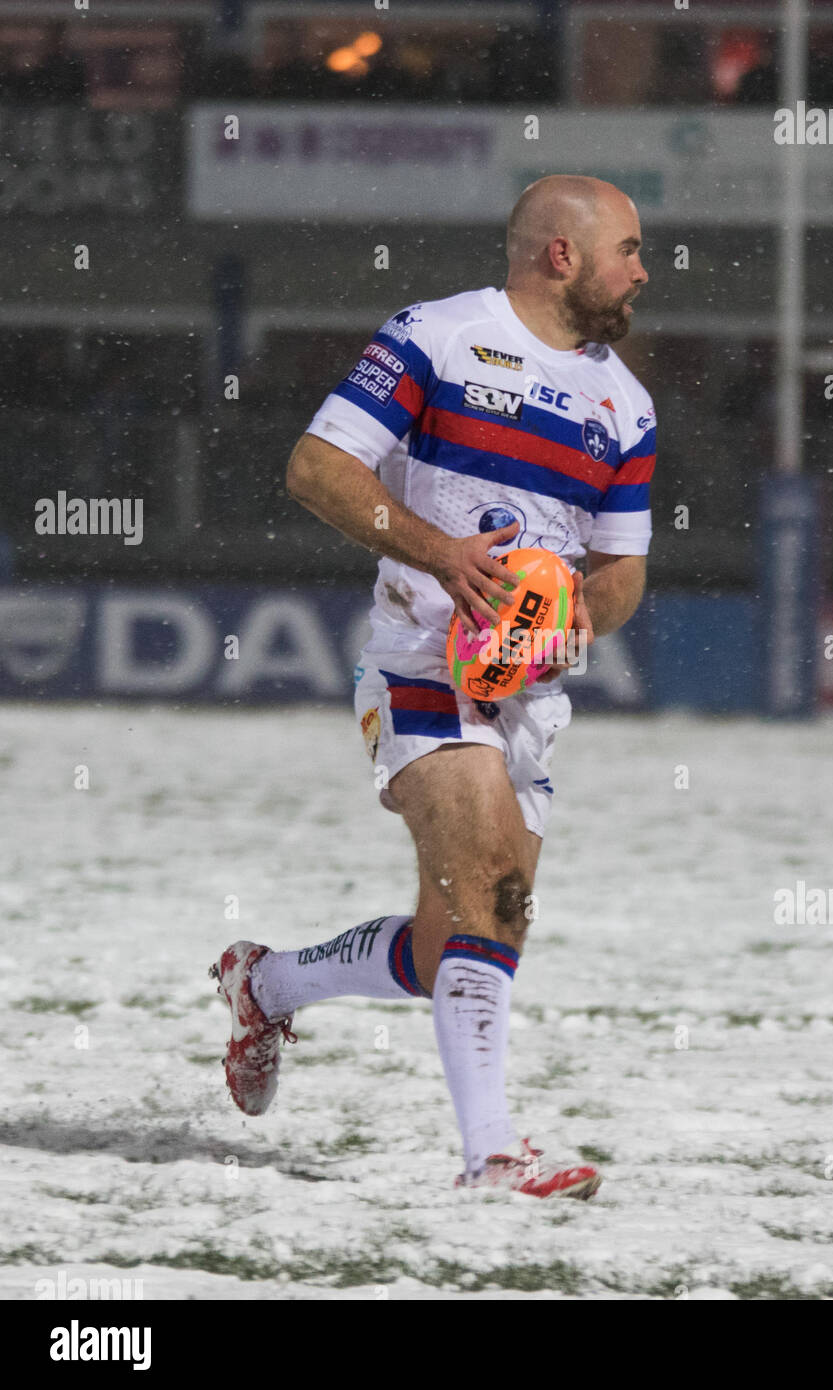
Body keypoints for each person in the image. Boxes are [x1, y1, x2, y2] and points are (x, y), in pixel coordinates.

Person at [211, 175, 655, 1199]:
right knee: (493, 895)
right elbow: (319, 468)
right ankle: (493, 1155)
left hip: (528, 697)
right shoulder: (437, 336)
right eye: (629, 249)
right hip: (420, 663)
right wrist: (442, 555)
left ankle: (266, 983)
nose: (642, 270)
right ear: (560, 254)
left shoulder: (625, 403)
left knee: (450, 937)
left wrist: (581, 617)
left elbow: (622, 570)